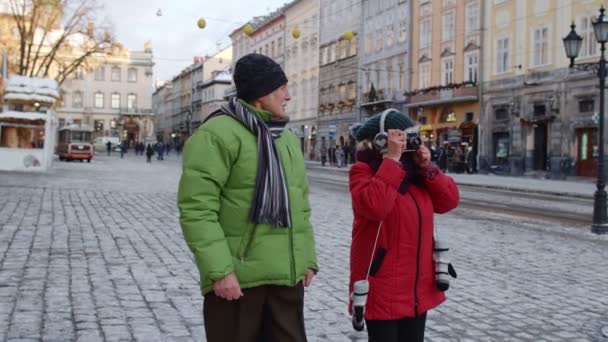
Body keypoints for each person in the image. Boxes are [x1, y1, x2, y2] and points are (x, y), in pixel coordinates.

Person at [177, 53, 318, 342]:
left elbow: (300, 206)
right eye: (281, 88)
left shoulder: (287, 138)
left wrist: (306, 258)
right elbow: (197, 209)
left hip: (286, 279)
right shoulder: (215, 135)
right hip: (238, 280)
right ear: (260, 94)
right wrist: (220, 272)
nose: (288, 96)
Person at [348, 109, 460, 342]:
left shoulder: (418, 176)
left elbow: (449, 201)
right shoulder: (363, 172)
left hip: (416, 287)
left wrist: (428, 167)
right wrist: (391, 160)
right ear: (381, 141)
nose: (409, 144)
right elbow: (375, 206)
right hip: (383, 285)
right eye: (402, 138)